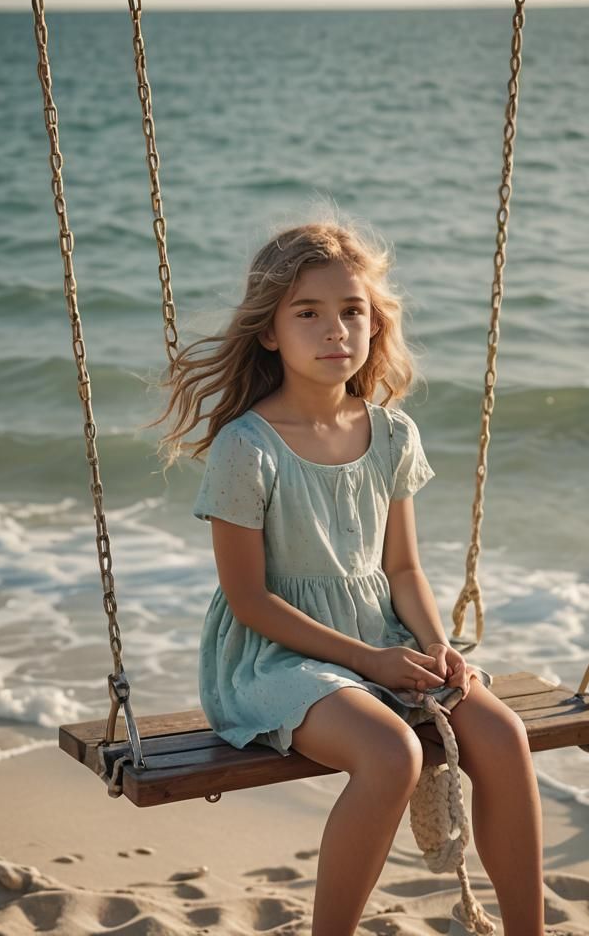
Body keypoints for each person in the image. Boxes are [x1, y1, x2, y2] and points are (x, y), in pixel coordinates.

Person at [157, 220, 544, 936]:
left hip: (381, 636)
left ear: (373, 323)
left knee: (501, 732)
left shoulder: (391, 433)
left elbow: (402, 567)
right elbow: (249, 599)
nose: (335, 329)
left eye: (352, 311)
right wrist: (369, 661)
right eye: (308, 313)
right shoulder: (247, 447)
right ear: (269, 332)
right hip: (276, 657)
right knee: (392, 753)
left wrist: (437, 643)